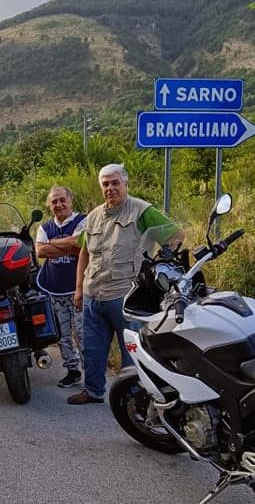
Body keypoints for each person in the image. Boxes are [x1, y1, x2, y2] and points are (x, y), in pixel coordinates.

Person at [67, 163, 183, 405]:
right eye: (105, 184)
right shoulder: (93, 216)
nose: (110, 188)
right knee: (92, 349)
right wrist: (78, 288)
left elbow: (175, 236)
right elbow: (84, 252)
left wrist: (158, 268)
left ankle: (134, 398)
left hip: (126, 295)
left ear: (125, 184)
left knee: (132, 350)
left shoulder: (142, 211)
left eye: (115, 183)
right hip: (92, 295)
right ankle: (93, 391)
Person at [35, 187, 86, 389]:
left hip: (78, 290)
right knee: (63, 335)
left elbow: (81, 245)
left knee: (82, 334)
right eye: (54, 201)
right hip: (53, 289)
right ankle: (72, 371)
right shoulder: (45, 227)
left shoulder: (82, 220)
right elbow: (41, 251)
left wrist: (53, 243)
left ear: (70, 200)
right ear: (50, 205)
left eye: (62, 200)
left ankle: (91, 375)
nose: (59, 205)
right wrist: (68, 246)